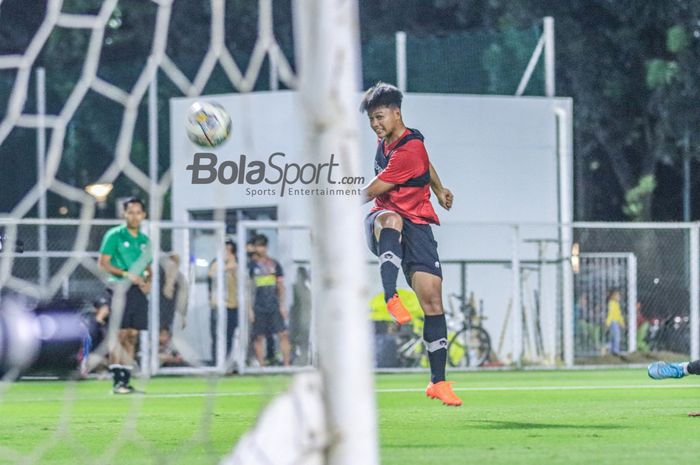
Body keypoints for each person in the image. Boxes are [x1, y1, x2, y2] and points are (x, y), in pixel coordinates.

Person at [359, 82, 461, 406]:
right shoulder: (394, 140)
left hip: (418, 225)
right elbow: (379, 193)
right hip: (384, 221)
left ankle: (439, 382)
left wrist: (438, 190)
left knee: (433, 301)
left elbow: (377, 184)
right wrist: (440, 186)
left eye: (379, 117)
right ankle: (391, 296)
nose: (375, 125)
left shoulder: (410, 149)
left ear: (396, 112)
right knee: (393, 220)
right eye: (372, 120)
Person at [98, 197, 152, 394]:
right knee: (119, 334)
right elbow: (103, 263)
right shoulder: (114, 235)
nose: (135, 216)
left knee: (132, 335)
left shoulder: (145, 241)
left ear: (144, 215)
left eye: (138, 212)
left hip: (137, 291)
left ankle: (127, 381)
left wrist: (149, 283)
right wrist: (126, 274)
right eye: (131, 212)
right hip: (118, 289)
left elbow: (148, 267)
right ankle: (117, 381)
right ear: (124, 214)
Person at [248, 234, 290, 367]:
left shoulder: (275, 264)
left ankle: (287, 364)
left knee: (283, 334)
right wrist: (249, 308)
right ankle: (262, 366)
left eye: (262, 246)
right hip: (258, 306)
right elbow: (248, 288)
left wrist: (282, 305)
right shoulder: (251, 266)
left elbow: (280, 285)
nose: (261, 249)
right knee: (259, 336)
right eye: (258, 246)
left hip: (274, 305)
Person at [208, 238, 239, 366]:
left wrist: (233, 267)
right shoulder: (216, 263)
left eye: (230, 250)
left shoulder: (237, 265)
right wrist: (226, 267)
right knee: (217, 336)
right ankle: (217, 363)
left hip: (232, 305)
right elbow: (211, 274)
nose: (227, 253)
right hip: (218, 305)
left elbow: (242, 282)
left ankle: (227, 362)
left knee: (229, 336)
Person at [159, 252, 188, 351]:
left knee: (168, 334)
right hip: (160, 312)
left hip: (170, 312)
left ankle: (167, 355)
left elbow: (182, 298)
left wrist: (183, 316)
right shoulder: (160, 276)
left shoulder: (180, 279)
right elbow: (167, 293)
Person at [606, 289, 624, 356]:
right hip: (613, 322)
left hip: (616, 322)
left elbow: (619, 315)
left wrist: (621, 322)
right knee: (616, 336)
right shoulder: (611, 303)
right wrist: (608, 323)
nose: (619, 297)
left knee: (615, 337)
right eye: (617, 295)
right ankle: (615, 351)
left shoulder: (616, 304)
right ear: (613, 296)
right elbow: (610, 314)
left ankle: (610, 348)